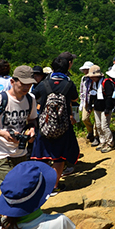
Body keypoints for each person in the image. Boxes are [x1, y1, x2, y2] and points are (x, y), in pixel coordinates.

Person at [0, 65, 38, 229]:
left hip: (20, 151)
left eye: (29, 84)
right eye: (22, 84)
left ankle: (1, 216)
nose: (26, 87)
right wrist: (2, 133)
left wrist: (31, 130)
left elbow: (32, 120)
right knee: (10, 187)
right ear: (12, 81)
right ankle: (5, 220)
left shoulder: (30, 99)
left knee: (20, 186)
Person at [31, 54, 80, 192]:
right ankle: (54, 186)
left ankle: (41, 186)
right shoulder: (69, 84)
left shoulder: (44, 84)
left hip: (44, 125)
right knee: (59, 158)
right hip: (63, 125)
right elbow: (75, 99)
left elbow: (34, 97)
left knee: (42, 157)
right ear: (67, 67)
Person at [88, 65, 112, 149]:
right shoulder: (93, 83)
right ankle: (102, 141)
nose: (92, 78)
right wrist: (89, 106)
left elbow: (109, 96)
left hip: (105, 108)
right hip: (97, 107)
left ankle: (110, 143)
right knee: (98, 125)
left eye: (93, 77)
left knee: (104, 126)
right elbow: (92, 95)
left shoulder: (106, 82)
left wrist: (107, 109)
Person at [78, 61, 96, 144]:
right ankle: (90, 131)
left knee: (97, 120)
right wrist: (82, 102)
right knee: (84, 118)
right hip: (86, 102)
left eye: (86, 69)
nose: (85, 71)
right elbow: (82, 90)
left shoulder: (95, 79)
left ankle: (96, 136)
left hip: (95, 102)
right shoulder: (83, 78)